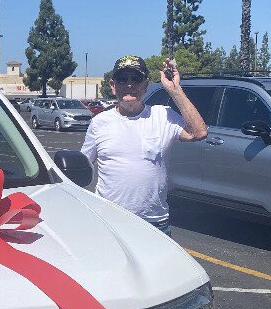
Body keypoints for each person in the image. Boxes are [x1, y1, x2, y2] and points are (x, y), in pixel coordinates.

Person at [80, 55, 208, 235]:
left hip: (154, 224)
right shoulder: (99, 122)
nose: (129, 84)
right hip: (109, 222)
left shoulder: (164, 116)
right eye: (123, 79)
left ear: (145, 85)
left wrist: (175, 89)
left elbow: (199, 132)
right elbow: (82, 166)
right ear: (113, 85)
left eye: (136, 78)